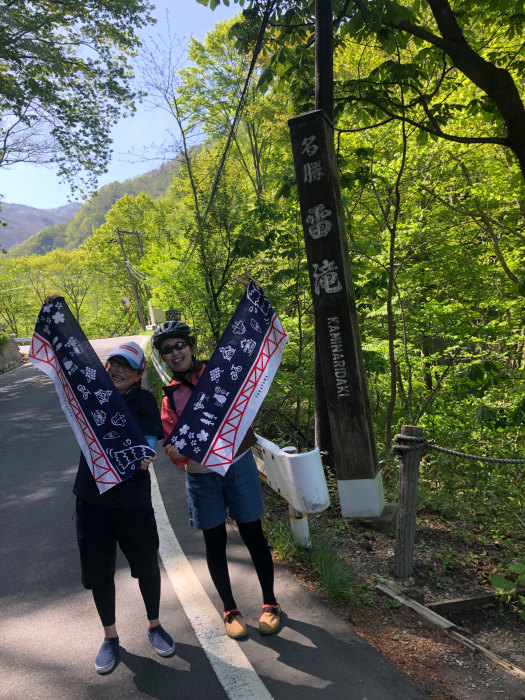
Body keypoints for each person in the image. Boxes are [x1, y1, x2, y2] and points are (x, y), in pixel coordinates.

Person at [156, 273, 281, 640]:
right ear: (162, 357)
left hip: (238, 463)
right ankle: (229, 609)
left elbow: (250, 346)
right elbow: (171, 443)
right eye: (167, 349)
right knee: (214, 542)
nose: (175, 352)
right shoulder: (169, 398)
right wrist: (176, 453)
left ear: (191, 346)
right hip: (200, 476)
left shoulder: (219, 372)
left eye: (180, 344)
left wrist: (254, 296)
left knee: (253, 533)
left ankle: (271, 603)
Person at [72, 340, 174, 673]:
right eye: (113, 363)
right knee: (99, 571)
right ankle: (110, 637)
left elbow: (144, 450)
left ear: (139, 374)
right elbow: (66, 369)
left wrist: (139, 455)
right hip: (92, 498)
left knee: (146, 565)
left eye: (126, 366)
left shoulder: (144, 400)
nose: (117, 369)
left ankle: (155, 625)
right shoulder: (90, 395)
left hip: (132, 502)